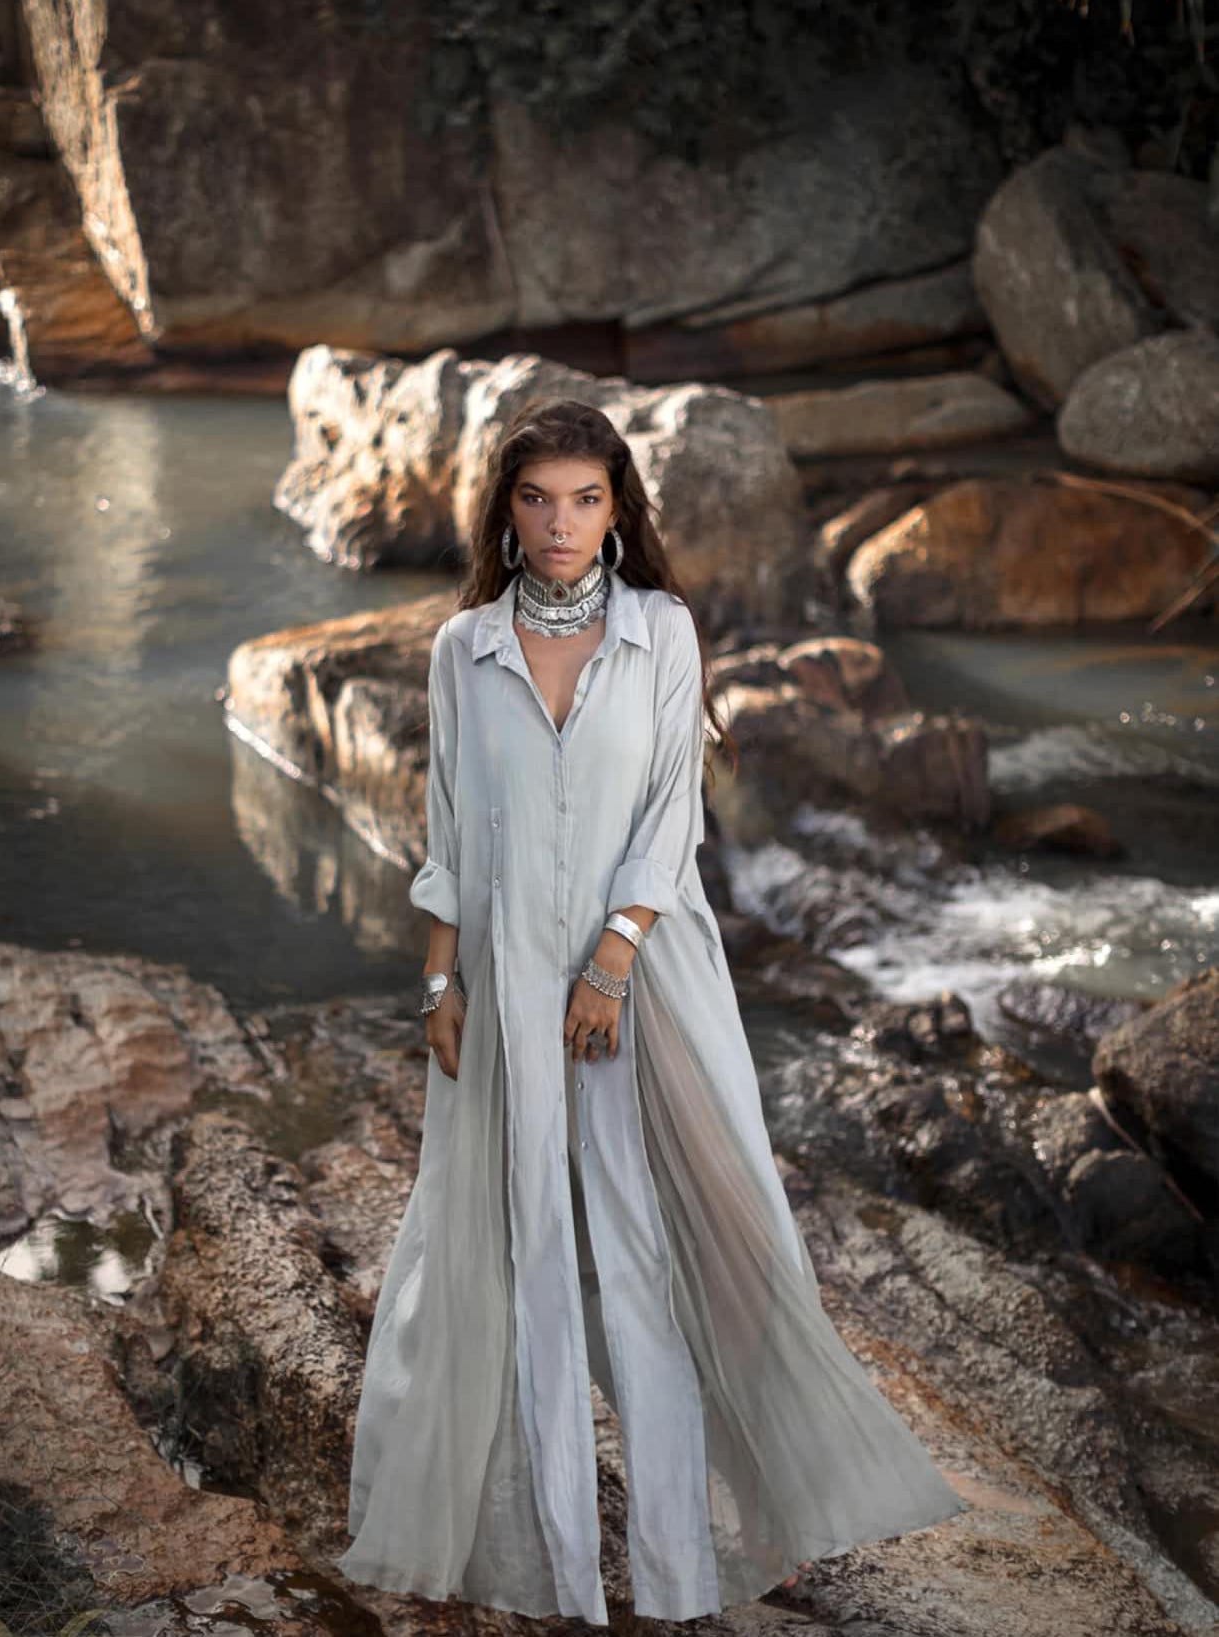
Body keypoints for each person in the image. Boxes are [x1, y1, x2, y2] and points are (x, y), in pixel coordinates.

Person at [337, 399, 968, 1624]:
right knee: (518, 1248)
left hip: (645, 977)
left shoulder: (662, 631)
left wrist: (613, 958)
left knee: (654, 1250)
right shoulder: (462, 647)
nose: (561, 523)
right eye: (537, 499)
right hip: (506, 978)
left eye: (584, 498)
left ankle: (684, 1571)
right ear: (505, 513)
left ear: (619, 507)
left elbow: (673, 816)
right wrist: (438, 982)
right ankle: (563, 1572)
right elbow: (453, 837)